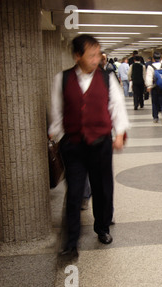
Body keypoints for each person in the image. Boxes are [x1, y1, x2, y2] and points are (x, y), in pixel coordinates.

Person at [48, 34, 130, 258]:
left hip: (100, 142)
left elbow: (117, 106)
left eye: (98, 54)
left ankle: (102, 228)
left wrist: (120, 133)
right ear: (77, 56)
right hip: (73, 145)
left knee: (102, 188)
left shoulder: (106, 79)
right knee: (74, 192)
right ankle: (71, 242)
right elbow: (57, 110)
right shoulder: (62, 79)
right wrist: (57, 134)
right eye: (91, 55)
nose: (97, 59)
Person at [146, 52, 162, 124]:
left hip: (155, 87)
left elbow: (149, 77)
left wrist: (149, 86)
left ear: (153, 59)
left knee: (155, 102)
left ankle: (155, 117)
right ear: (160, 58)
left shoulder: (150, 67)